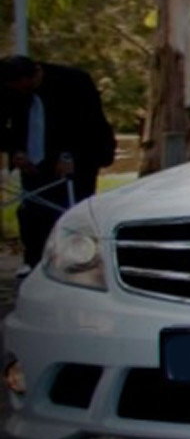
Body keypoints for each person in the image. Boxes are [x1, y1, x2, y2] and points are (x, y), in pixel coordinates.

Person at [1, 55, 117, 276]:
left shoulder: (74, 82)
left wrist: (69, 155)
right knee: (32, 210)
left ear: (34, 74)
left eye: (22, 85)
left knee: (72, 210)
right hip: (34, 159)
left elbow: (90, 123)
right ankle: (33, 260)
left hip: (77, 157)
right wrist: (16, 151)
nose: (17, 90)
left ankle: (77, 261)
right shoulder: (10, 88)